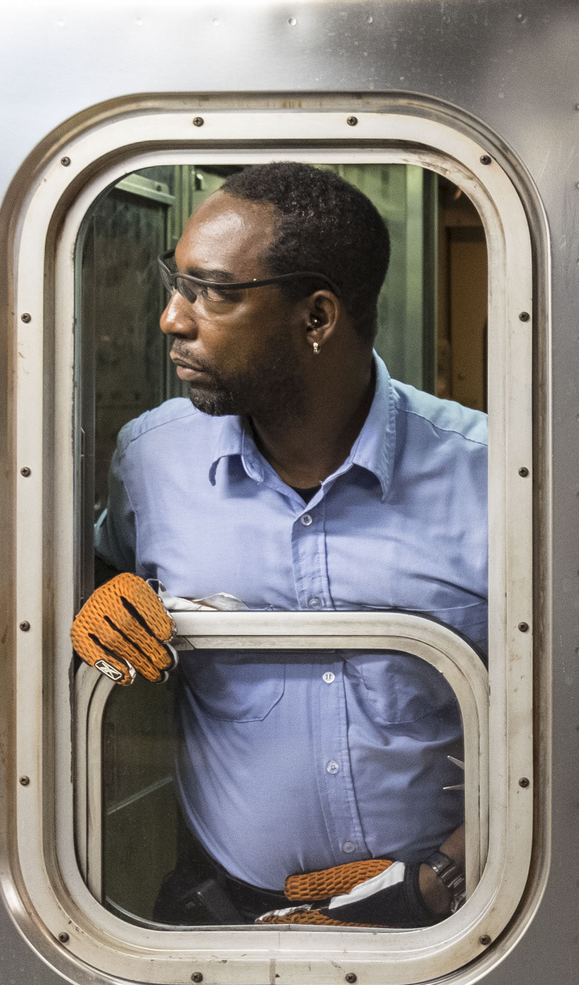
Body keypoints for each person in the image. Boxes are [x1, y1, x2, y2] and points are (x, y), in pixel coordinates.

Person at [71, 162, 486, 927]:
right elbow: (96, 589)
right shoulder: (152, 462)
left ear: (317, 316)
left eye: (212, 292)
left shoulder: (491, 476)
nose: (172, 318)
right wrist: (94, 596)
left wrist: (437, 882)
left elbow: (577, 718)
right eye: (176, 284)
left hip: (446, 923)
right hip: (219, 911)